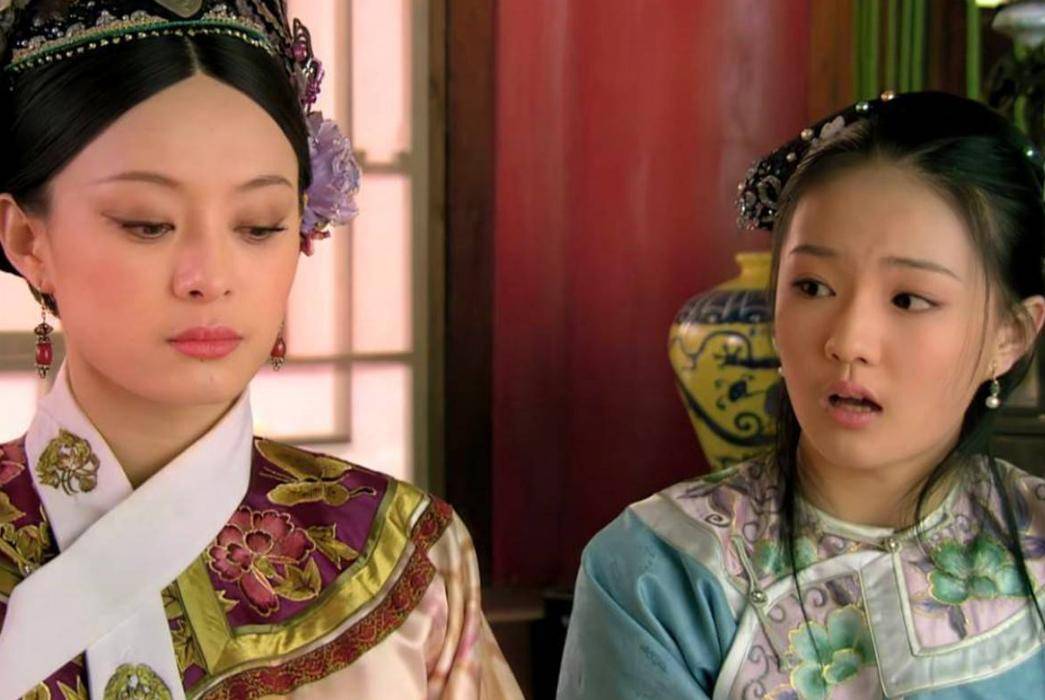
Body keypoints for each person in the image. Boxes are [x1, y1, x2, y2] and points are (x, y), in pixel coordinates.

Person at [0, 1, 521, 698]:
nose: (209, 278)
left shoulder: (405, 556)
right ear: (28, 241)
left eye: (258, 226)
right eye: (148, 224)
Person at [557, 91, 1045, 699]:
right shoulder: (662, 573)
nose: (847, 341)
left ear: (1010, 336)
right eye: (812, 287)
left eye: (909, 299)